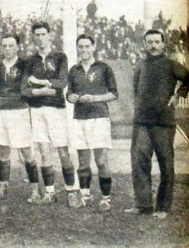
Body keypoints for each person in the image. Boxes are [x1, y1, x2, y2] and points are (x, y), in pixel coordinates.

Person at [125, 29, 189, 219]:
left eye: (156, 42)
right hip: (142, 121)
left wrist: (179, 95)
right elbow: (136, 91)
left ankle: (162, 207)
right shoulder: (140, 65)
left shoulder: (171, 65)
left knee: (165, 164)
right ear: (144, 45)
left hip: (163, 122)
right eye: (149, 42)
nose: (153, 45)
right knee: (139, 161)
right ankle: (143, 204)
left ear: (163, 44)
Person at [23, 22, 79, 207]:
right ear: (34, 37)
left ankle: (72, 191)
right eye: (37, 34)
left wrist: (37, 82)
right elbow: (24, 89)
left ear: (50, 35)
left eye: (43, 34)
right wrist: (44, 89)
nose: (40, 37)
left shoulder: (60, 57)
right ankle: (50, 192)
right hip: (37, 110)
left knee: (62, 151)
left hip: (56, 109)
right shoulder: (30, 60)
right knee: (44, 153)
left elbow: (62, 82)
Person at [67, 34, 118, 211]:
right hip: (79, 118)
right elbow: (69, 94)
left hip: (99, 118)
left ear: (93, 47)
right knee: (83, 161)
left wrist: (94, 98)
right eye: (80, 46)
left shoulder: (104, 68)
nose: (84, 50)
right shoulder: (74, 70)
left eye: (87, 46)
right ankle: (85, 196)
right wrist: (72, 97)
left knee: (101, 160)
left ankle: (106, 198)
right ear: (77, 48)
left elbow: (113, 93)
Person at [0, 34, 42, 203]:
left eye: (11, 46)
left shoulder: (25, 63)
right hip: (2, 110)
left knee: (26, 150)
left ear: (17, 47)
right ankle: (3, 186)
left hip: (19, 111)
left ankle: (35, 189)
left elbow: (28, 85)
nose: (7, 49)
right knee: (3, 150)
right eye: (4, 46)